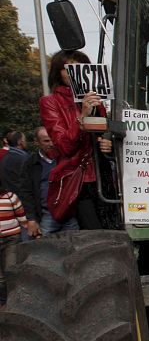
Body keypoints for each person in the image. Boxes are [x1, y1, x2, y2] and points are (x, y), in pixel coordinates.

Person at [39, 49, 113, 230]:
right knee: (93, 232)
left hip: (103, 175)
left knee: (112, 229)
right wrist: (82, 117)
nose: (75, 70)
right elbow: (64, 146)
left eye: (79, 66)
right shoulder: (50, 102)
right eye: (68, 67)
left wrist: (108, 142)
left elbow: (103, 132)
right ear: (58, 72)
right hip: (79, 179)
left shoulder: (97, 100)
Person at [18, 127, 79, 239]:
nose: (51, 144)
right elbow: (26, 192)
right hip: (47, 215)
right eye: (46, 141)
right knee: (47, 249)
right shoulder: (31, 163)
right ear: (37, 142)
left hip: (69, 214)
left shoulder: (66, 158)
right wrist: (31, 219)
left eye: (53, 139)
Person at [0, 178, 27, 307]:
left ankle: (16, 301)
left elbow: (21, 215)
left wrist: (29, 227)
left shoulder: (10, 197)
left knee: (11, 269)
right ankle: (3, 302)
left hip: (11, 238)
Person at [1, 131, 28, 196]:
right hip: (21, 196)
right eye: (24, 140)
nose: (25, 142)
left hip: (8, 196)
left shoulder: (5, 156)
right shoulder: (23, 157)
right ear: (19, 142)